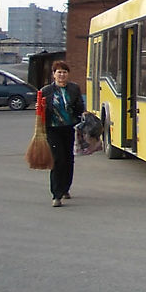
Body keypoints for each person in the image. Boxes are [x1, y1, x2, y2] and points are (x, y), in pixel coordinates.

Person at [40, 60, 85, 207]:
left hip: (69, 128)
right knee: (58, 160)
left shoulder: (74, 89)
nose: (61, 75)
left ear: (68, 74)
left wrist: (83, 115)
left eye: (64, 72)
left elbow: (79, 107)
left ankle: (66, 188)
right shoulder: (45, 91)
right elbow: (41, 111)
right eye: (59, 72)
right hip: (53, 129)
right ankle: (56, 194)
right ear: (53, 75)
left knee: (68, 159)